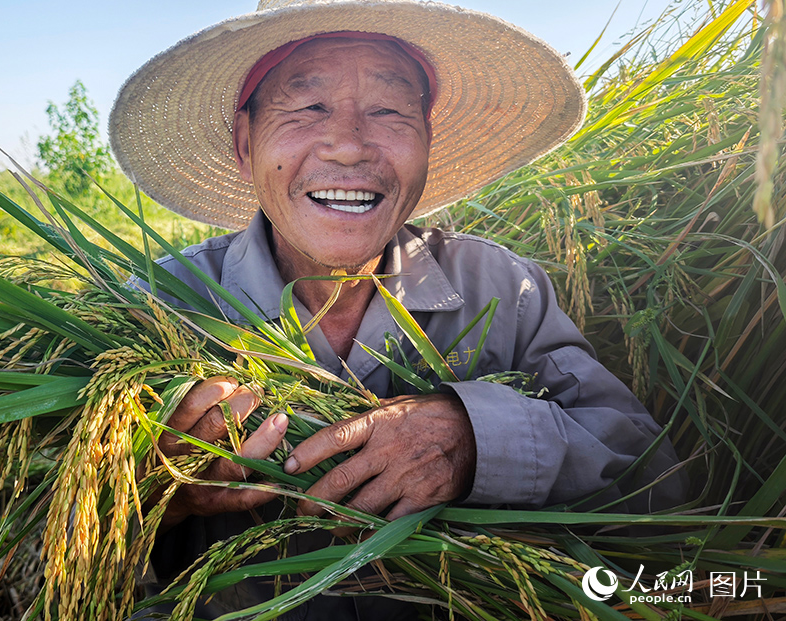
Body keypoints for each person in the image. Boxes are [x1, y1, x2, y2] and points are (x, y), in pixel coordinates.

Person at [109, 0, 685, 617]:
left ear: (427, 142)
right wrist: (151, 492)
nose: (351, 147)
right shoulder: (157, 307)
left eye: (388, 110)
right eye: (307, 107)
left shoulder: (502, 289)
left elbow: (655, 485)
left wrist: (475, 440)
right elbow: (28, 534)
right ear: (246, 144)